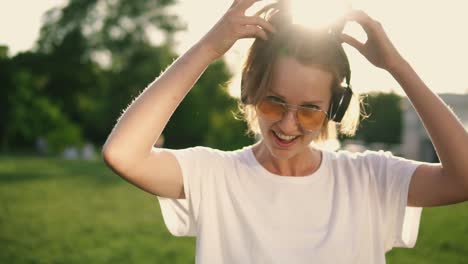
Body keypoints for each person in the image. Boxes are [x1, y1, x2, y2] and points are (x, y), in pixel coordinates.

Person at [102, 1, 468, 263]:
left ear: (333, 109)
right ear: (251, 91)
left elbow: (462, 178)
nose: (288, 125)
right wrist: (208, 48)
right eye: (274, 102)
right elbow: (123, 154)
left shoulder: (369, 178)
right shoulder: (215, 176)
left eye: (309, 110)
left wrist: (398, 67)